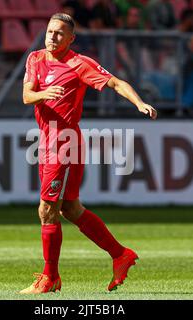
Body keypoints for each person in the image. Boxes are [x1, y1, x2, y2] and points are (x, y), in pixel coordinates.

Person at [20, 13, 157, 294]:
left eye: (59, 33)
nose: (52, 37)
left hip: (65, 143)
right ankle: (121, 255)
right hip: (46, 142)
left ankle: (50, 278)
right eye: (49, 31)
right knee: (69, 208)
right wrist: (43, 95)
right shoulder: (35, 58)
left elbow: (116, 83)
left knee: (47, 210)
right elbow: (26, 95)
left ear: (71, 39)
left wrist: (139, 103)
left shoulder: (80, 64)